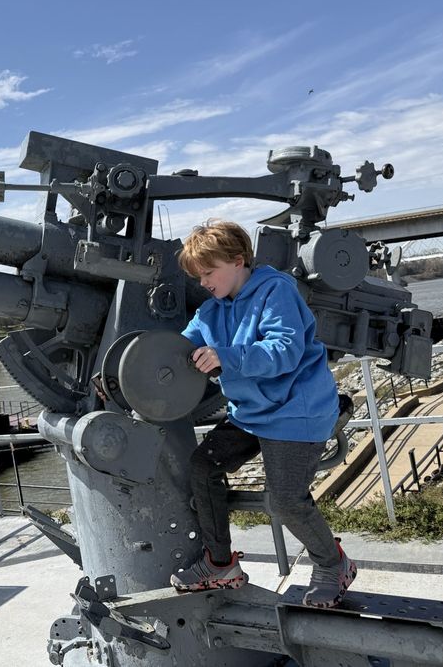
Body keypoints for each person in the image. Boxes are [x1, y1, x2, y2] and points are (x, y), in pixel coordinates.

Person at [169, 219, 356, 608]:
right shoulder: (210, 312)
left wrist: (227, 356)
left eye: (209, 272)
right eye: (198, 275)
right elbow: (175, 350)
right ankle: (221, 565)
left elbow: (284, 351)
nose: (203, 282)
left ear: (238, 261)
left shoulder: (276, 291)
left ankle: (333, 565)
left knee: (286, 500)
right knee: (203, 467)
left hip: (296, 411)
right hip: (251, 413)